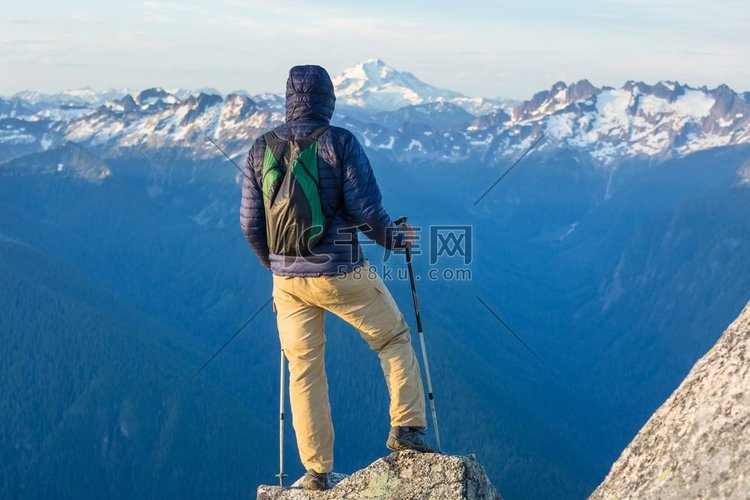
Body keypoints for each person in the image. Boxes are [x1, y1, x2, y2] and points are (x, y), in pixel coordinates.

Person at [240, 65, 433, 491]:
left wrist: (274, 265)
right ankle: (407, 426)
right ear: (328, 99)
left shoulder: (260, 148)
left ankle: (316, 472)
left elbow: (251, 225)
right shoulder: (340, 142)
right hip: (341, 270)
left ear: (288, 98)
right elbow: (366, 212)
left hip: (287, 281)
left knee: (304, 370)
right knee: (392, 338)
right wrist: (395, 240)